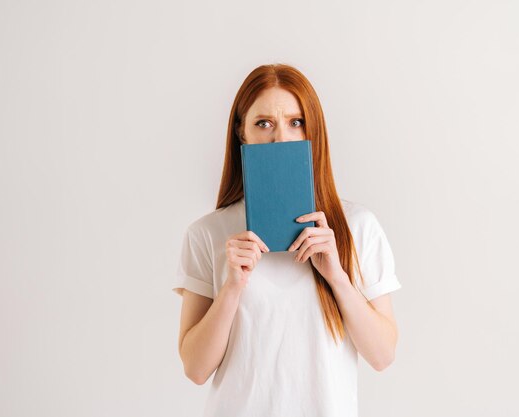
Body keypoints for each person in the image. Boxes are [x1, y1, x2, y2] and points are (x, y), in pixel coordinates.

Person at [172, 63, 402, 417]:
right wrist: (233, 286)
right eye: (263, 123)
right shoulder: (207, 234)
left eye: (296, 122)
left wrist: (337, 277)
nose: (280, 137)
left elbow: (383, 354)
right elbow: (196, 369)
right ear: (242, 133)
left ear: (314, 132)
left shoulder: (358, 227)